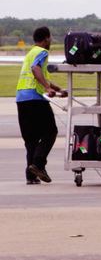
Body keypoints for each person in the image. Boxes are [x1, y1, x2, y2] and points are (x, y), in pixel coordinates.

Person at [16, 26, 64, 184]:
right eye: (50, 39)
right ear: (46, 39)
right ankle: (38, 164)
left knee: (31, 139)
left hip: (22, 98)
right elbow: (36, 70)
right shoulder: (42, 52)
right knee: (50, 132)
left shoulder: (30, 53)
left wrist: (58, 89)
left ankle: (31, 176)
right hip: (35, 98)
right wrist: (47, 88)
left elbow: (38, 74)